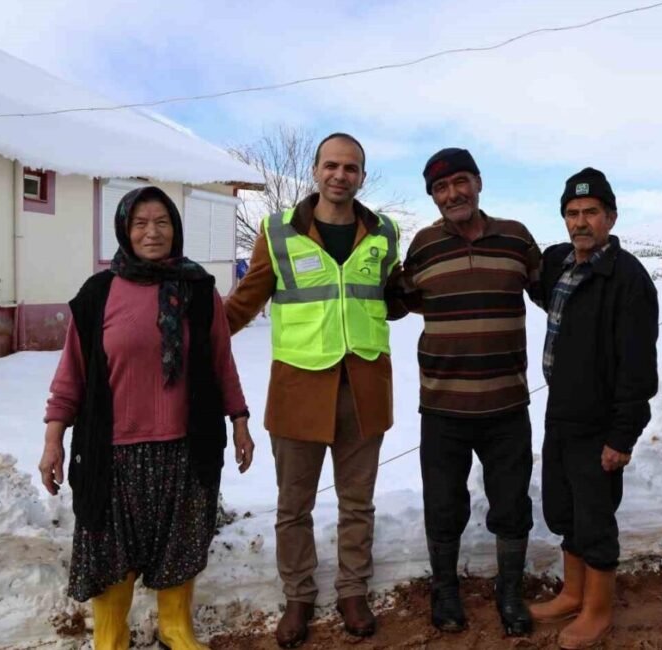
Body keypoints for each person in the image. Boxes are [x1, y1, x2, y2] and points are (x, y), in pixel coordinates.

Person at [38, 186, 255, 650]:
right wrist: (53, 439)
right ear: (124, 229)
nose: (151, 232)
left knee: (179, 545)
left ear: (175, 228)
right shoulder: (98, 294)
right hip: (113, 454)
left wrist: (239, 420)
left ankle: (175, 628)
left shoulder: (198, 290)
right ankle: (111, 637)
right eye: (140, 223)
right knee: (111, 550)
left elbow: (221, 363)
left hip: (185, 448)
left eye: (162, 222)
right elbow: (71, 374)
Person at [224, 133, 402, 646]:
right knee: (293, 506)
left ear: (362, 177)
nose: (339, 175)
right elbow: (243, 303)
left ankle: (352, 591)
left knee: (357, 503)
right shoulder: (278, 232)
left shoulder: (384, 232)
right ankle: (298, 596)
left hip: (365, 388)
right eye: (331, 165)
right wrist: (197, 336)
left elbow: (394, 296)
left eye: (350, 168)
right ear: (316, 171)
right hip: (299, 388)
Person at [397, 147, 540, 636]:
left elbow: (553, 291)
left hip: (506, 405)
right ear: (433, 196)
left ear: (478, 182)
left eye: (460, 181)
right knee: (443, 505)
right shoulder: (423, 246)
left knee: (512, 503)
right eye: (440, 187)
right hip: (442, 407)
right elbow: (399, 301)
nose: (452, 193)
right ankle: (446, 588)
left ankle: (510, 591)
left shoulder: (517, 239)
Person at [529, 168, 658, 649]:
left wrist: (622, 435)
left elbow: (638, 368)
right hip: (561, 411)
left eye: (590, 213)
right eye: (571, 213)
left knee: (596, 515)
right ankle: (573, 592)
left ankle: (598, 611)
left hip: (599, 421)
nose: (580, 222)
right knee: (565, 508)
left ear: (611, 217)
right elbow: (538, 284)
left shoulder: (627, 280)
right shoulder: (561, 264)